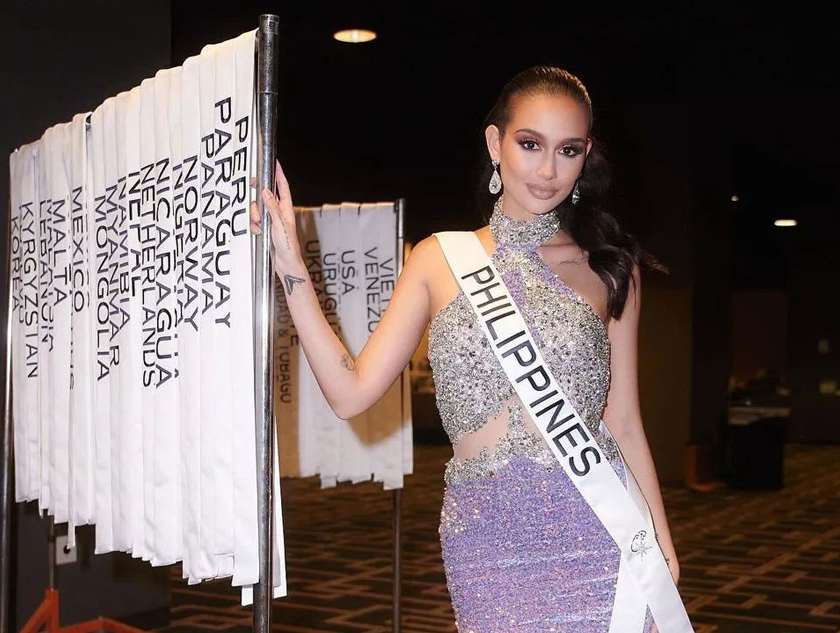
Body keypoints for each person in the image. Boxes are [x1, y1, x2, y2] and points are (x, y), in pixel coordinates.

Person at [250, 65, 680, 633]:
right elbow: (350, 395)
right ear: (494, 143)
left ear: (585, 157)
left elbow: (623, 421)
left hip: (601, 532)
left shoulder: (610, 270)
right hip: (488, 543)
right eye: (530, 144)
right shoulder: (439, 259)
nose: (548, 170)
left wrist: (662, 545)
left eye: (568, 150)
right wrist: (292, 270)